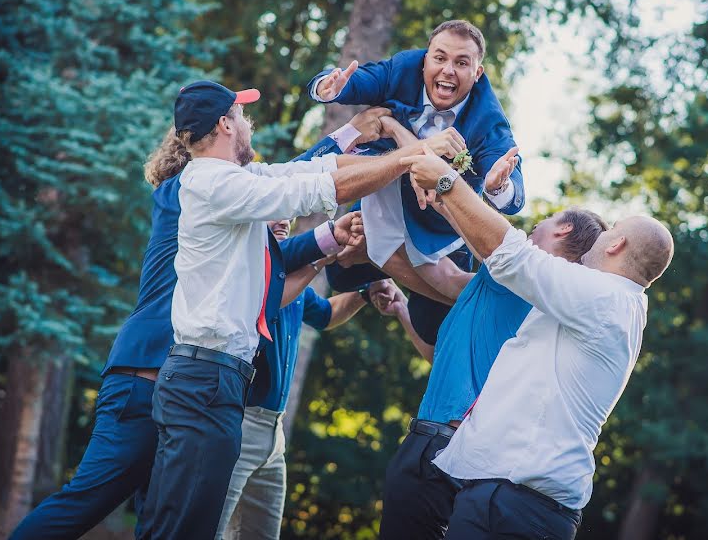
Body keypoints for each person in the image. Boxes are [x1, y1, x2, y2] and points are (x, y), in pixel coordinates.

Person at [7, 106, 382, 540]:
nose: (242, 125)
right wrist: (352, 132)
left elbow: (275, 250)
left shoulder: (223, 211)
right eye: (235, 117)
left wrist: (329, 237)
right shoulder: (184, 192)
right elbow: (294, 178)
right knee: (86, 500)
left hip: (175, 388)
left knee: (161, 520)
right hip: (145, 378)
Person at [138, 81, 463, 539]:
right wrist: (414, 156)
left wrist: (396, 156)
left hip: (215, 380)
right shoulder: (211, 181)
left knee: (184, 524)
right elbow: (326, 186)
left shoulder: (234, 179)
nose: (247, 123)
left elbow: (323, 167)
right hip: (204, 381)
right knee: (184, 529)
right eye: (242, 114)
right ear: (225, 124)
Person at [402, 145, 674, 539]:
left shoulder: (605, 298)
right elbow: (502, 261)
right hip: (507, 498)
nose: (602, 235)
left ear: (615, 246)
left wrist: (448, 184)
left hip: (516, 504)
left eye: (610, 229)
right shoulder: (606, 303)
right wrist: (449, 205)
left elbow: (515, 257)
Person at [378, 204, 606, 539]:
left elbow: (469, 231)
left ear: (564, 230)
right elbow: (439, 347)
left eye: (548, 219)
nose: (535, 226)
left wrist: (433, 188)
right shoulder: (533, 301)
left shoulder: (513, 271)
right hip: (475, 464)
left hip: (439, 447)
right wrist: (401, 308)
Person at [305, 20, 525, 343]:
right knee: (340, 272)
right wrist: (331, 87)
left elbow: (515, 192)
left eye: (462, 63)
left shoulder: (487, 119)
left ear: (477, 74)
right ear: (426, 59)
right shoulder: (403, 69)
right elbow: (362, 80)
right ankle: (377, 266)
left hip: (436, 227)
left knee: (432, 325)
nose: (448, 70)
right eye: (440, 58)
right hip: (387, 196)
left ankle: (514, 301)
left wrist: (498, 187)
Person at [214, 219, 398, 540]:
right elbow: (272, 292)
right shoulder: (247, 259)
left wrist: (365, 293)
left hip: (274, 436)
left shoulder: (292, 278)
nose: (284, 219)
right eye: (274, 210)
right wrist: (323, 255)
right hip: (238, 423)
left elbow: (326, 314)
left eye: (289, 213)